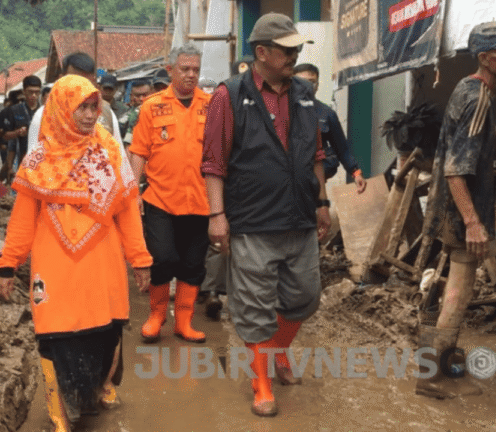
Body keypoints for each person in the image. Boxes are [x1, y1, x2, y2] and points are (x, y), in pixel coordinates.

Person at [0, 75, 152, 430]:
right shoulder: (38, 159)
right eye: (80, 106)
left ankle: (99, 389)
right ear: (63, 108)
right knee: (55, 336)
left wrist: (140, 259)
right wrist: (8, 264)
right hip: (55, 266)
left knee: (104, 334)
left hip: (103, 263)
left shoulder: (109, 151)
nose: (88, 114)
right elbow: (22, 219)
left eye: (93, 106)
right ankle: (60, 416)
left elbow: (128, 210)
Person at [201, 13, 329, 417]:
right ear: (261, 53)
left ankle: (276, 352)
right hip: (253, 221)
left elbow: (317, 154)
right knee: (255, 305)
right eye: (287, 50)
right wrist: (216, 215)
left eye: (296, 50)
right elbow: (214, 162)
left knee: (305, 297)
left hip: (300, 217)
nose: (294, 56)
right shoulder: (230, 94)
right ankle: (261, 382)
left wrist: (322, 202)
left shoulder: (305, 93)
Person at [416, 21, 496, 400]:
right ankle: (430, 375)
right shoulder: (478, 96)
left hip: (451, 209)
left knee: (455, 287)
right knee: (460, 292)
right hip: (459, 210)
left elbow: (465, 140)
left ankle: (442, 361)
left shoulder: (471, 89)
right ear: (486, 58)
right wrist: (474, 224)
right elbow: (454, 168)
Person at [129, 44, 212, 344]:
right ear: (170, 70)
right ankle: (157, 315)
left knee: (192, 265)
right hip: (160, 199)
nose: (191, 75)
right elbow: (138, 151)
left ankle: (184, 322)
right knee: (162, 259)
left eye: (195, 70)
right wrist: (132, 191)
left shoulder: (211, 105)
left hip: (201, 201)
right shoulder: (152, 106)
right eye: (184, 69)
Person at [27, 52, 123, 155]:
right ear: (61, 79)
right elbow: (34, 162)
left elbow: (119, 158)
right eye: (75, 82)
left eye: (86, 83)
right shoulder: (44, 116)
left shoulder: (107, 113)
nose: (81, 89)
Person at [294, 63, 367, 193]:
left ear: (317, 85)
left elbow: (342, 149)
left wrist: (356, 173)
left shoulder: (326, 113)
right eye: (301, 81)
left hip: (316, 177)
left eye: (311, 82)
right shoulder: (282, 111)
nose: (307, 86)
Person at [0, 75, 42, 181]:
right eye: (31, 92)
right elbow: (6, 137)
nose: (34, 95)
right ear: (24, 92)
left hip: (41, 161)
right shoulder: (14, 110)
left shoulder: (44, 111)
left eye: (37, 92)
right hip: (22, 159)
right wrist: (17, 133)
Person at [0, 90, 23, 168]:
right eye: (19, 100)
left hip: (21, 146)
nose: (21, 102)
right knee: (9, 169)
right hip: (6, 147)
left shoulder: (24, 112)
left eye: (22, 100)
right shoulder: (4, 113)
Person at [121, 79, 153, 147]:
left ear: (152, 93)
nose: (141, 99)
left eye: (145, 95)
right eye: (137, 95)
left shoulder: (158, 113)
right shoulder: (125, 117)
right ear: (131, 96)